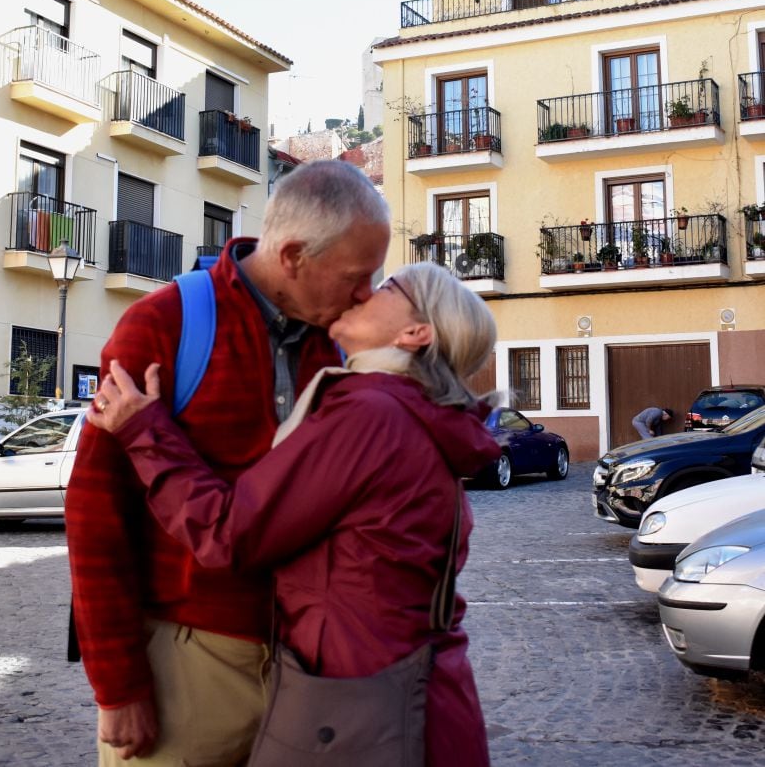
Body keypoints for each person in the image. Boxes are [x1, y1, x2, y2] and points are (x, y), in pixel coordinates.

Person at [90, 261, 500, 767]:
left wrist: (144, 433)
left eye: (387, 287)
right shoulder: (423, 416)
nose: (363, 290)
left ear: (416, 332)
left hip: (360, 709)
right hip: (416, 696)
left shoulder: (371, 415)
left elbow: (228, 532)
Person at [66, 160, 391, 765]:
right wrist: (117, 684)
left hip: (312, 677)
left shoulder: (344, 345)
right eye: (356, 276)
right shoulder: (163, 324)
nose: (366, 295)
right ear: (293, 255)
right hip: (187, 670)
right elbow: (94, 515)